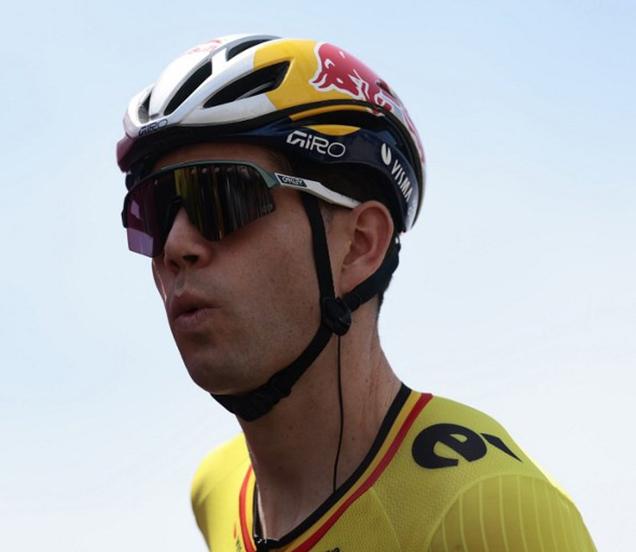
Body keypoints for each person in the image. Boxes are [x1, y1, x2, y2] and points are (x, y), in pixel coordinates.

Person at [116, 34, 595, 551]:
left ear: (359, 246)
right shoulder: (218, 486)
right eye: (156, 211)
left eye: (222, 197)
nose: (176, 245)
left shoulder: (490, 510)